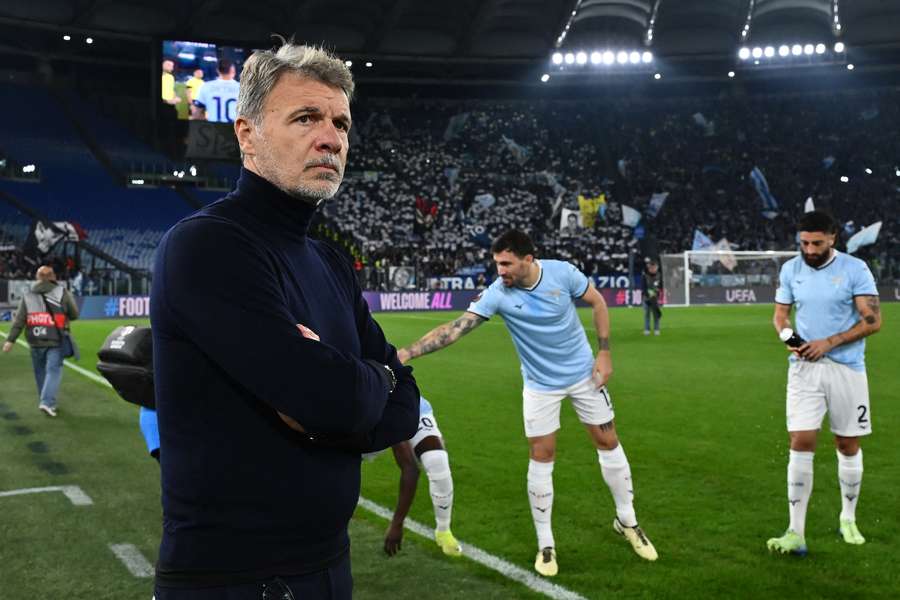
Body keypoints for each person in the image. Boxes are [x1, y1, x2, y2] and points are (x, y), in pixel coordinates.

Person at [150, 42, 419, 599]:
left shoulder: (329, 262)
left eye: (341, 123)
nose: (332, 138)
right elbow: (334, 399)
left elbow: (403, 407)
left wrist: (356, 387)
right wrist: (369, 381)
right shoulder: (208, 246)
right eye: (306, 117)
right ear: (246, 134)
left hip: (329, 567)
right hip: (233, 580)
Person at [397, 229, 657, 577]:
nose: (499, 271)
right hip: (540, 386)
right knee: (542, 454)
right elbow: (457, 328)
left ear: (528, 260)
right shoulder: (498, 294)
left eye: (506, 263)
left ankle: (627, 521)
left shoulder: (562, 273)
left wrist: (605, 352)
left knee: (608, 441)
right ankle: (545, 544)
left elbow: (597, 301)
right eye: (496, 263)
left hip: (584, 375)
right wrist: (408, 352)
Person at [767, 211, 882, 556]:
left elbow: (873, 321)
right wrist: (789, 338)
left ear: (833, 237)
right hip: (803, 370)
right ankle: (795, 531)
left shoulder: (854, 269)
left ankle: (848, 517)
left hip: (846, 368)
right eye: (804, 242)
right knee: (801, 440)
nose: (809, 248)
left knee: (847, 444)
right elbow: (780, 316)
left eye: (817, 242)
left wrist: (828, 342)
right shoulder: (791, 269)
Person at [377, 396, 462, 558]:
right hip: (361, 408)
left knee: (437, 460)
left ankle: (443, 531)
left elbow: (410, 468)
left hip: (401, 403)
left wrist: (397, 523)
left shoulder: (397, 400)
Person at [2, 265, 79, 417]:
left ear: (37, 278)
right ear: (53, 277)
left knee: (40, 371)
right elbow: (74, 314)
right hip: (55, 338)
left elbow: (20, 320)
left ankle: (45, 400)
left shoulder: (28, 295)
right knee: (53, 370)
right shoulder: (62, 292)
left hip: (35, 339)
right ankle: (47, 401)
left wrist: (10, 340)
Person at [193, 58, 240, 123]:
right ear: (233, 71)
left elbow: (197, 114)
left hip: (214, 129)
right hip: (235, 130)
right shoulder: (242, 88)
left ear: (218, 70)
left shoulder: (206, 86)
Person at [641, 259, 663, 335]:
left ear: (657, 267)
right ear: (649, 268)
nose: (653, 269)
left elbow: (660, 286)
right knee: (647, 314)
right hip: (646, 298)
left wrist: (657, 294)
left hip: (656, 298)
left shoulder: (659, 275)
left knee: (656, 314)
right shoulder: (645, 276)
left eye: (654, 267)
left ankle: (657, 329)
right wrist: (648, 295)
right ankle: (647, 329)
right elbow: (643, 287)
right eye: (651, 268)